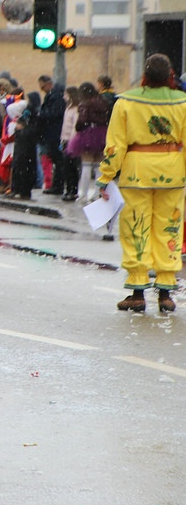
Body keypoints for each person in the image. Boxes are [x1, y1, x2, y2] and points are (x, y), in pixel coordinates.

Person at [96, 54, 186, 314]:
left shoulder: (125, 102)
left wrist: (106, 175)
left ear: (144, 75)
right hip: (172, 171)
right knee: (169, 226)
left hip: (136, 172)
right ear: (170, 75)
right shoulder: (182, 103)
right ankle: (166, 290)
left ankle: (137, 290)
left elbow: (115, 144)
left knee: (136, 227)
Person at [66, 81, 111, 202]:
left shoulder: (85, 104)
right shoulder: (103, 102)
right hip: (103, 134)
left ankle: (83, 194)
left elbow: (81, 121)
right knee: (98, 166)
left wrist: (79, 128)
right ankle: (97, 193)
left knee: (86, 165)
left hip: (88, 134)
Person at [37, 74, 67, 195]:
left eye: (43, 86)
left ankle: (58, 186)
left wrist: (42, 114)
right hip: (52, 131)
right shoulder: (53, 95)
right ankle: (56, 185)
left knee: (58, 160)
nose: (42, 90)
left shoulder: (56, 96)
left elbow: (54, 113)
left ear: (49, 84)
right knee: (56, 160)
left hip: (55, 132)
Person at [59, 85, 82, 202]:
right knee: (66, 167)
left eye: (66, 95)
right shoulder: (68, 108)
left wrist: (72, 141)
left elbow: (74, 126)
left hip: (71, 141)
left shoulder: (76, 109)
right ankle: (68, 189)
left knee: (71, 167)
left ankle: (73, 190)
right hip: (65, 139)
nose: (64, 97)